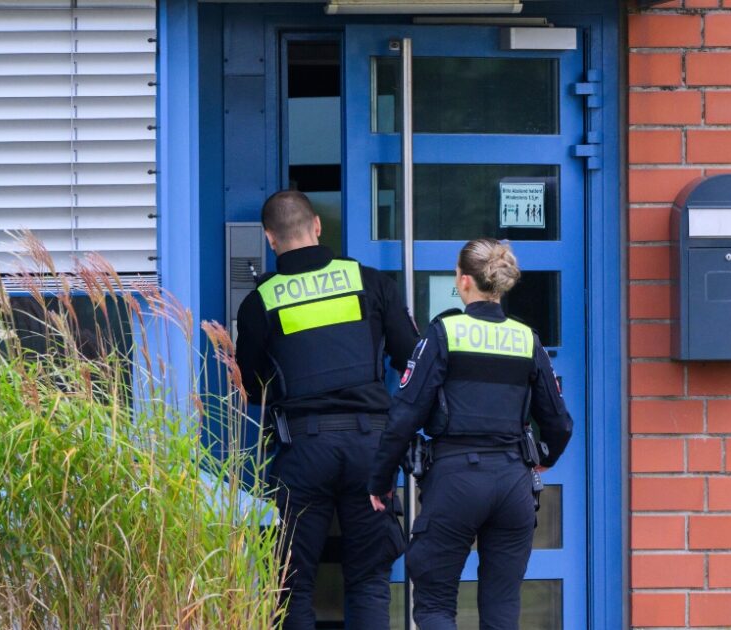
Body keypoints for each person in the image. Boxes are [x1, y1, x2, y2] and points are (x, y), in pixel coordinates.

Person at [367, 238, 574, 630]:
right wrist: (543, 458)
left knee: (435, 605)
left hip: (455, 481)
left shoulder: (444, 332)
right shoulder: (526, 338)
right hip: (513, 482)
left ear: (463, 280)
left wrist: (380, 480)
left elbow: (404, 415)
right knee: (502, 609)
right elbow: (559, 422)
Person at [235, 190, 419, 630]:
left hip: (303, 452)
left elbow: (251, 387)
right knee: (369, 580)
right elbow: (412, 359)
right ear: (317, 226)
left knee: (291, 584)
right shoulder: (370, 282)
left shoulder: (260, 302)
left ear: (269, 238)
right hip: (370, 450)